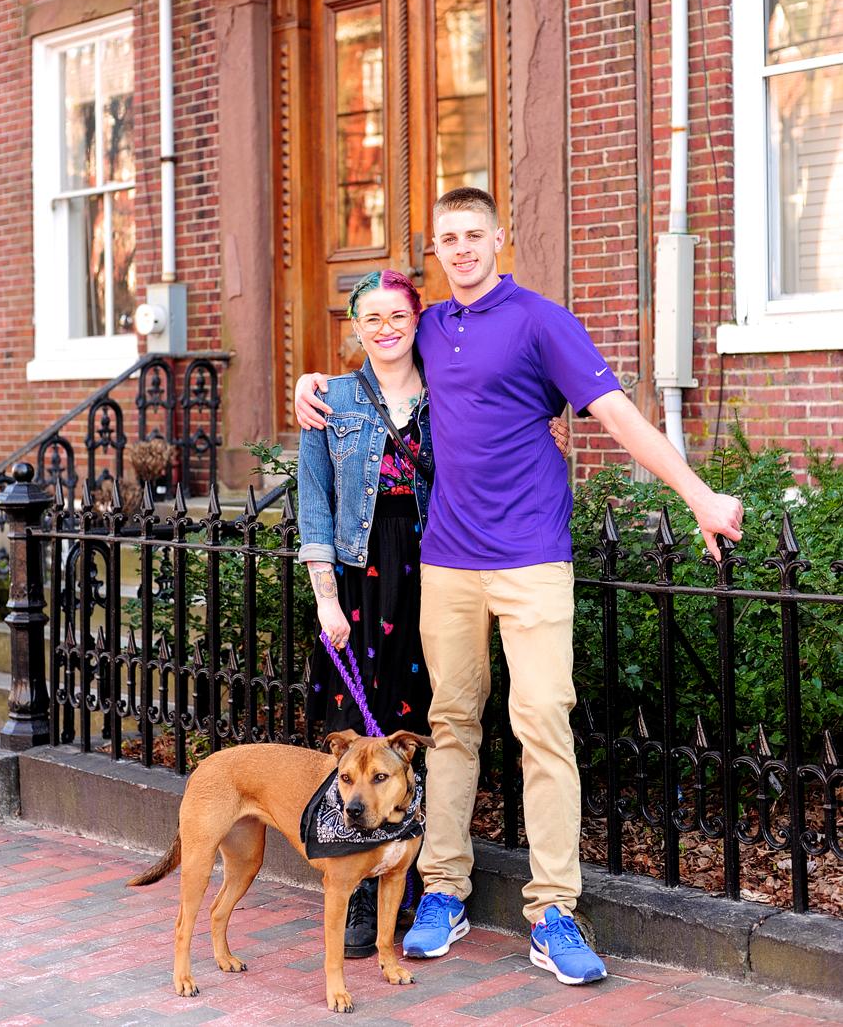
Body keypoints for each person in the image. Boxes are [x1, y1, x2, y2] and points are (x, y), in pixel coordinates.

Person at [296, 187, 745, 986]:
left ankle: (552, 910)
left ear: (501, 238)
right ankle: (442, 890)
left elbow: (615, 412)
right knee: (451, 722)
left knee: (542, 721)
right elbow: (379, 358)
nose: (462, 248)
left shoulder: (540, 319)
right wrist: (312, 385)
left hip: (532, 554)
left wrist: (698, 493)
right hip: (447, 559)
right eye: (448, 238)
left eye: (475, 234)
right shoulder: (430, 326)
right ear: (435, 251)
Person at [297, 265, 570, 960]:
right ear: (354, 327)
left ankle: (416, 873)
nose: (385, 328)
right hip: (361, 575)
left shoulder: (446, 387)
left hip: (440, 561)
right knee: (354, 726)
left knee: (422, 720)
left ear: (419, 321)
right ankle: (358, 879)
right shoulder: (329, 397)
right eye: (371, 318)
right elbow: (316, 502)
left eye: (398, 316)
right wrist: (327, 597)